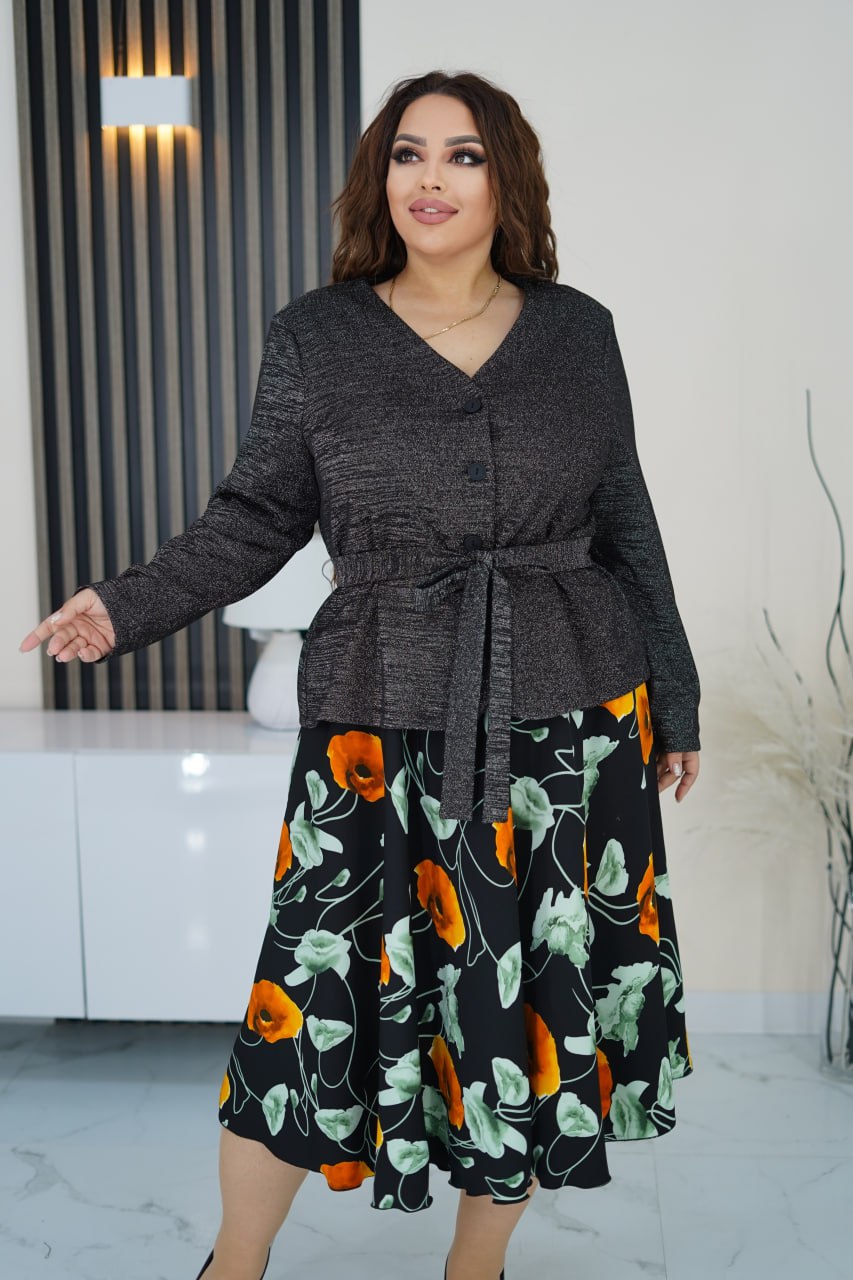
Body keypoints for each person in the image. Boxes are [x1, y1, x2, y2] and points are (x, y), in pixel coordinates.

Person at [18, 70, 701, 1280]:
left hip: (566, 720)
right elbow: (254, 515)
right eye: (407, 154)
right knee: (307, 1003)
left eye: (462, 155)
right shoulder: (317, 335)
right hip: (372, 724)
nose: (429, 178)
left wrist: (675, 699)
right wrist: (122, 606)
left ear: (506, 180)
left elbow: (625, 522)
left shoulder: (577, 331)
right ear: (379, 179)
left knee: (526, 1014)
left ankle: (473, 1268)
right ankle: (232, 1265)